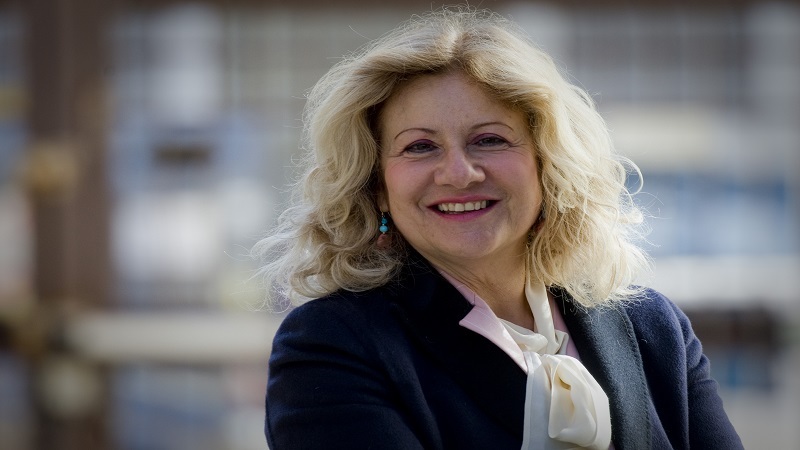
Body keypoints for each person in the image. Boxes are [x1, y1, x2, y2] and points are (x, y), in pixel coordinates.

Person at [255, 7, 743, 450]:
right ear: (378, 186)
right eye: (420, 147)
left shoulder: (654, 327)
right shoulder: (333, 344)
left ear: (547, 166)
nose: (459, 173)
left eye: (489, 140)